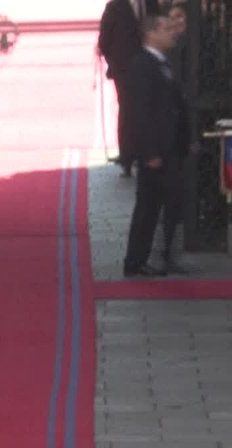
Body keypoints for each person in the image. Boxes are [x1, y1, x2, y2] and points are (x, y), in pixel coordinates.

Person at [123, 14, 192, 277]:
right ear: (151, 33)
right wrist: (149, 151)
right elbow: (140, 112)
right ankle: (141, 258)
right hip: (157, 150)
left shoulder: (163, 62)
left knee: (162, 204)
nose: (172, 33)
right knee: (152, 206)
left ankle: (148, 257)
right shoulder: (142, 65)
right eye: (166, 29)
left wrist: (186, 141)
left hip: (170, 145)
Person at [98, 0, 162, 176]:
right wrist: (114, 63)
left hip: (150, 65)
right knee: (128, 109)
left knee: (149, 107)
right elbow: (104, 40)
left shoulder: (151, 4)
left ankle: (147, 152)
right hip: (125, 69)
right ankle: (127, 157)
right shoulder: (115, 6)